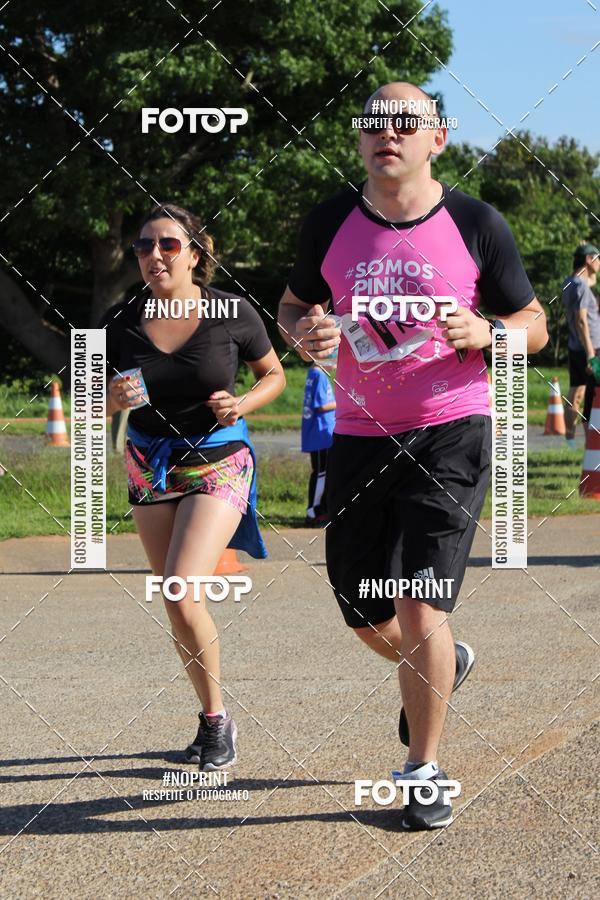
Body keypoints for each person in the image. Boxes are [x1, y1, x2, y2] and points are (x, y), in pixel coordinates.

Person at [278, 82, 548, 829]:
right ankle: (444, 665)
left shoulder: (474, 221)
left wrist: (492, 336)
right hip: (361, 436)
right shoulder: (331, 220)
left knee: (419, 597)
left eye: (406, 122)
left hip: (450, 428)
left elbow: (535, 324)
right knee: (361, 608)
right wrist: (304, 332)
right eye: (372, 122)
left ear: (439, 139)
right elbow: (294, 302)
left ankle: (423, 770)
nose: (385, 132)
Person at [100, 202, 285, 770]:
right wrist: (111, 399)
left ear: (195, 254)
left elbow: (273, 375)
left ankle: (217, 724)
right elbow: (89, 403)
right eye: (143, 246)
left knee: (179, 587)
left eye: (168, 244)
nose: (154, 255)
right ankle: (213, 720)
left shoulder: (232, 312)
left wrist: (242, 403)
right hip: (149, 462)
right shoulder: (120, 321)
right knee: (179, 603)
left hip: (217, 458)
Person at [561, 242, 600, 448]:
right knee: (593, 398)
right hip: (591, 348)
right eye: (598, 257)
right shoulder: (582, 287)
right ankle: (591, 444)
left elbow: (591, 279)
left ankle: (570, 442)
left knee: (576, 392)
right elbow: (582, 320)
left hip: (575, 346)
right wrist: (591, 354)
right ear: (588, 259)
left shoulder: (570, 282)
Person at [301, 352, 337, 526]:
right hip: (321, 432)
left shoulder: (313, 373)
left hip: (318, 433)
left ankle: (317, 509)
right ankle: (314, 511)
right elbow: (322, 405)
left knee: (321, 472)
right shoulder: (319, 375)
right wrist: (345, 402)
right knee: (321, 473)